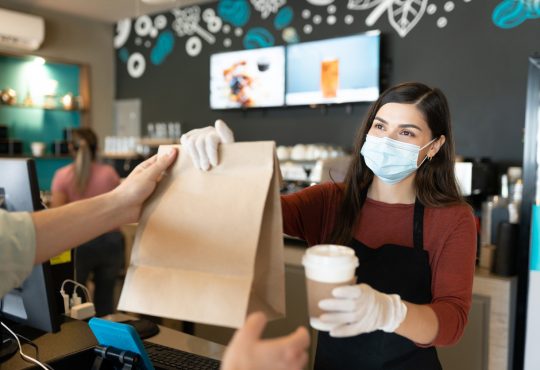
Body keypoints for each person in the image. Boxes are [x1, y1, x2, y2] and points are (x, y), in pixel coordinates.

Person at [180, 82, 477, 369]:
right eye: (381, 126)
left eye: (406, 132)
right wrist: (227, 163)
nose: (387, 141)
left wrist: (389, 312)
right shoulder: (329, 201)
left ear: (435, 146)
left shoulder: (452, 218)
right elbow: (257, 216)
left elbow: (452, 323)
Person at [0, 148, 310, 370]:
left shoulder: (63, 177)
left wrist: (225, 165)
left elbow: (16, 241)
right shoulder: (107, 173)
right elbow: (16, 242)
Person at [51, 128, 123, 316]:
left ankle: (82, 341)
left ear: (70, 148)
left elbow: (56, 215)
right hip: (111, 240)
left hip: (79, 243)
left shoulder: (62, 176)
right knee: (106, 302)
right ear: (96, 148)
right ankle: (106, 343)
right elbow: (120, 208)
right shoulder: (109, 173)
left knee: (77, 302)